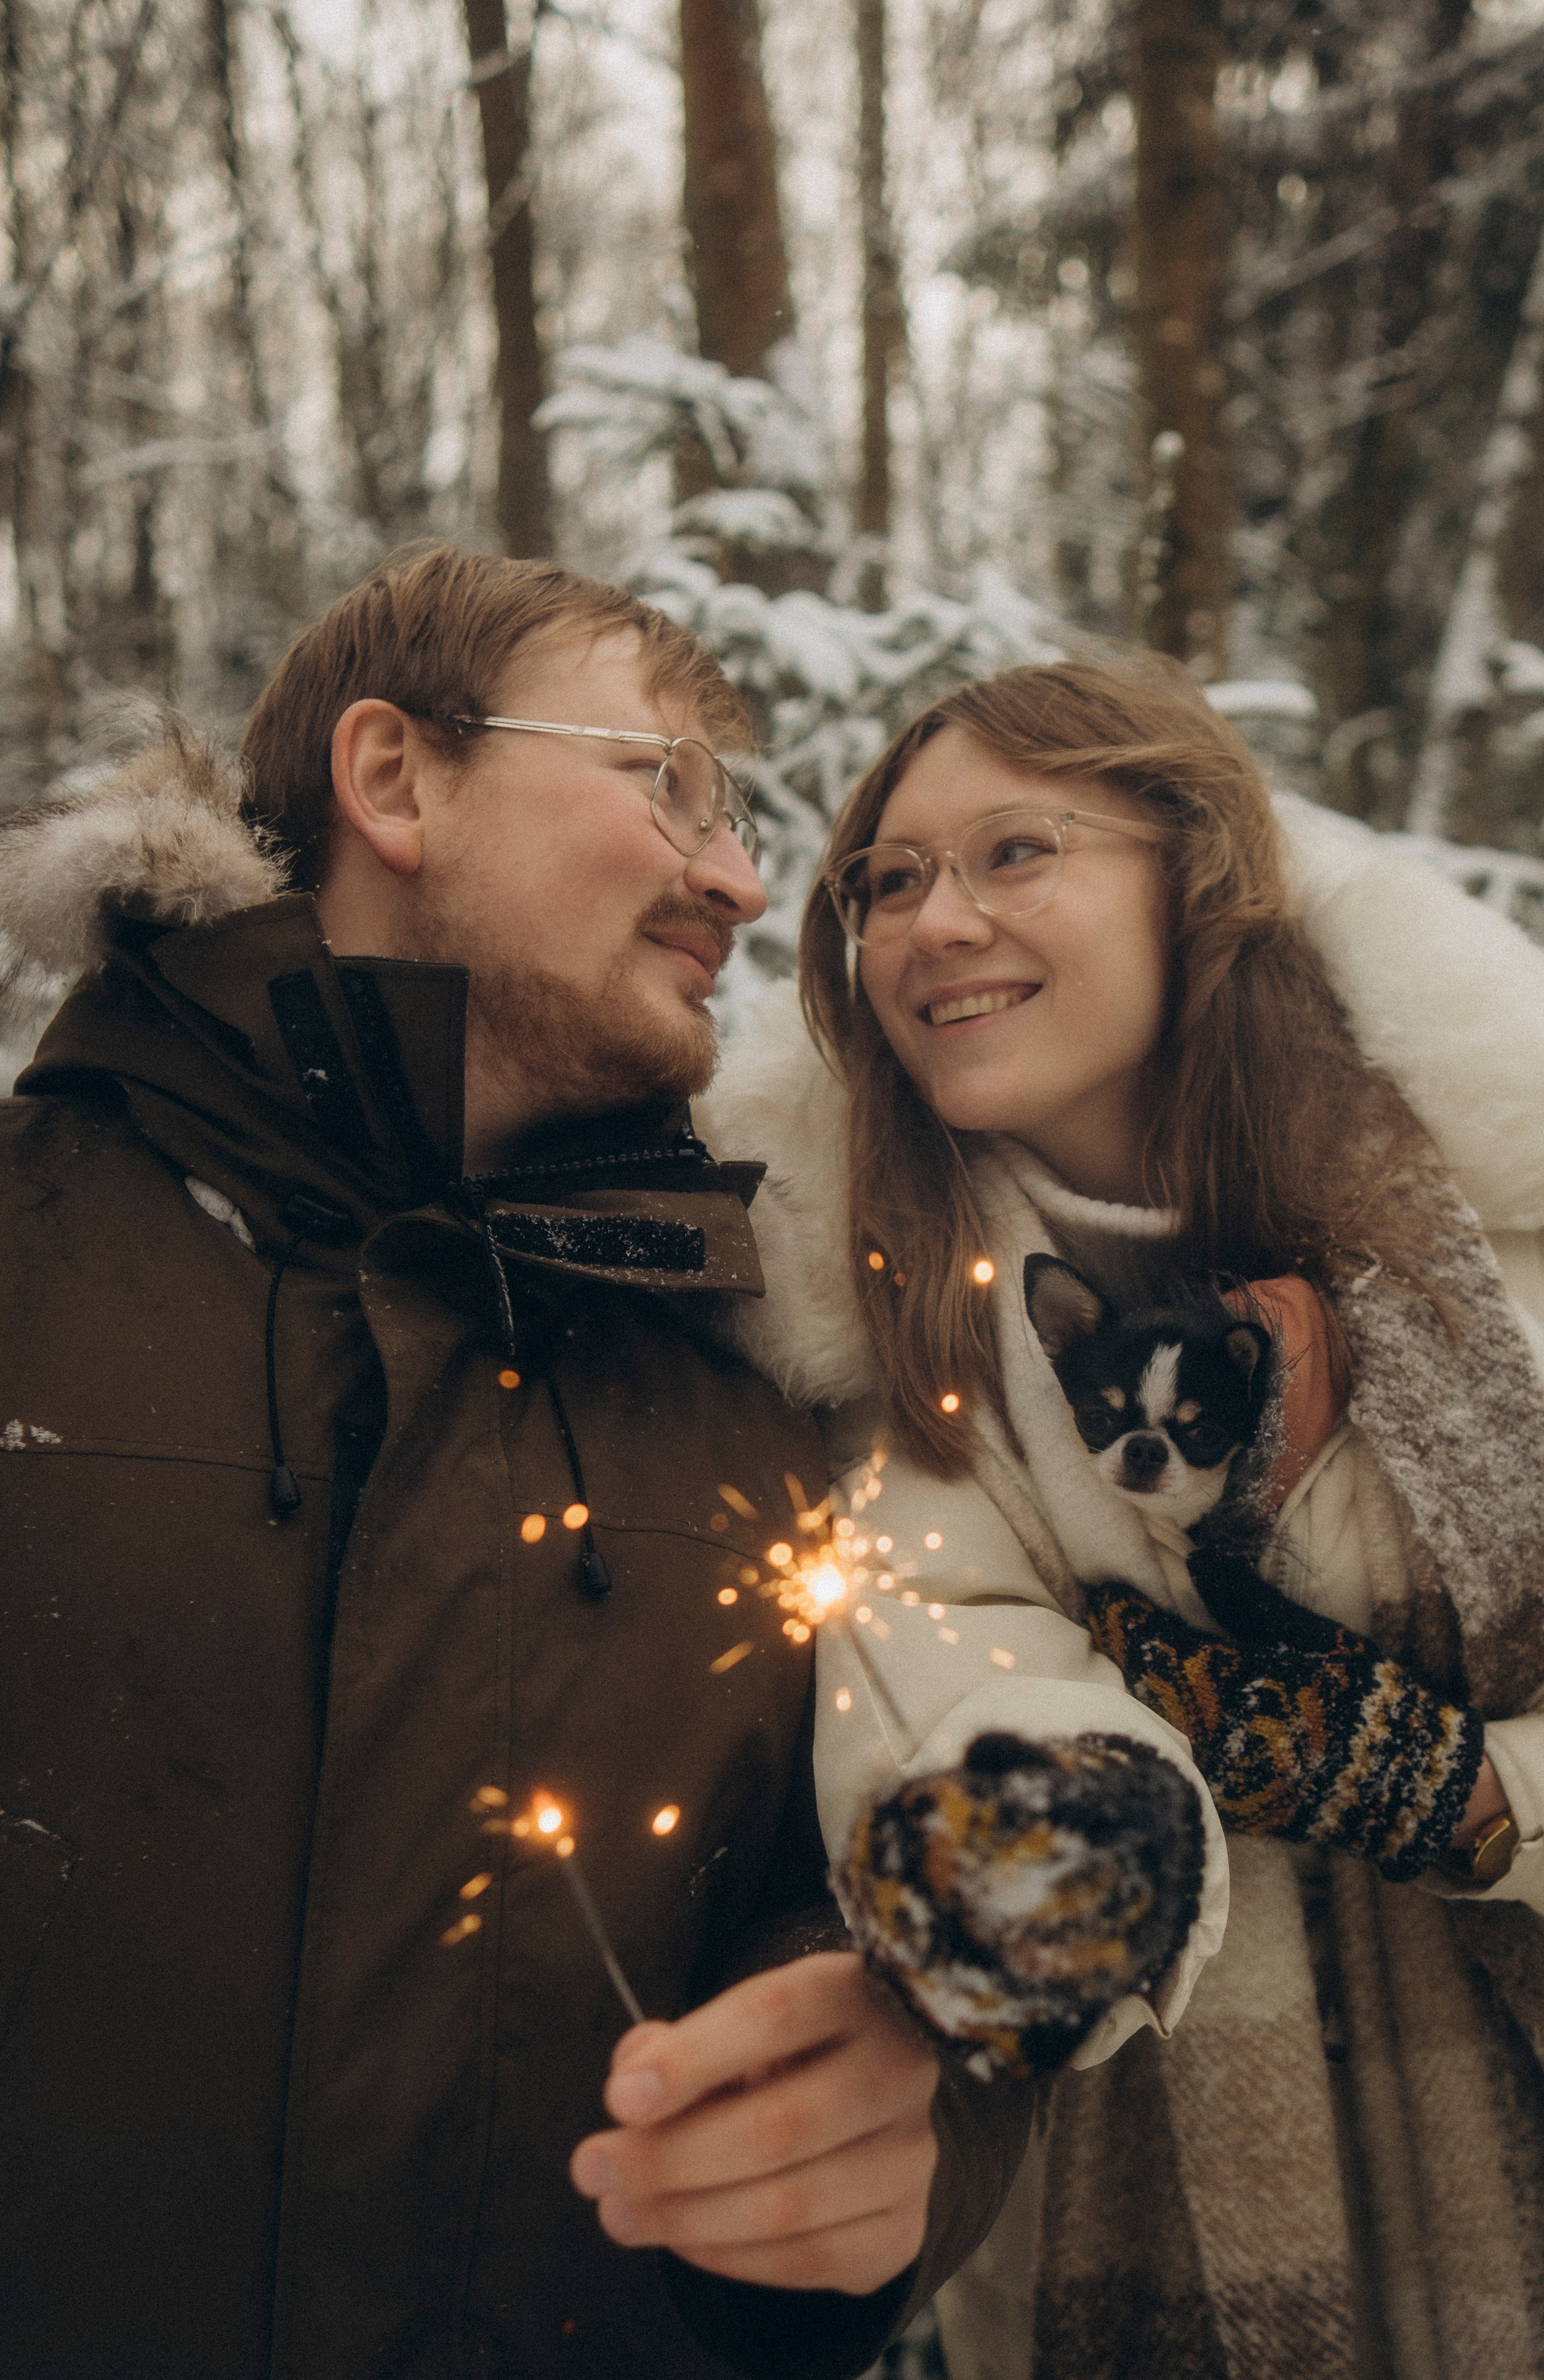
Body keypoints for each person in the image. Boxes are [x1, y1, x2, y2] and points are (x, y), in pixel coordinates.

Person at [0, 547, 1034, 2380]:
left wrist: (899, 2134)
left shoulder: (769, 1377)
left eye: (735, 816)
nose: (733, 876)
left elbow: (888, 1902)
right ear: (394, 781)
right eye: (664, 784)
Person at [700, 654, 1544, 2380]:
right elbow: (942, 1640)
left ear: (1191, 878)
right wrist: (1069, 1835)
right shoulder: (883, 1299)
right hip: (1156, 2189)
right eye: (888, 880)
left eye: (1018, 852)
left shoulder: (1520, 1205)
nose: (934, 922)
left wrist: (1489, 1798)